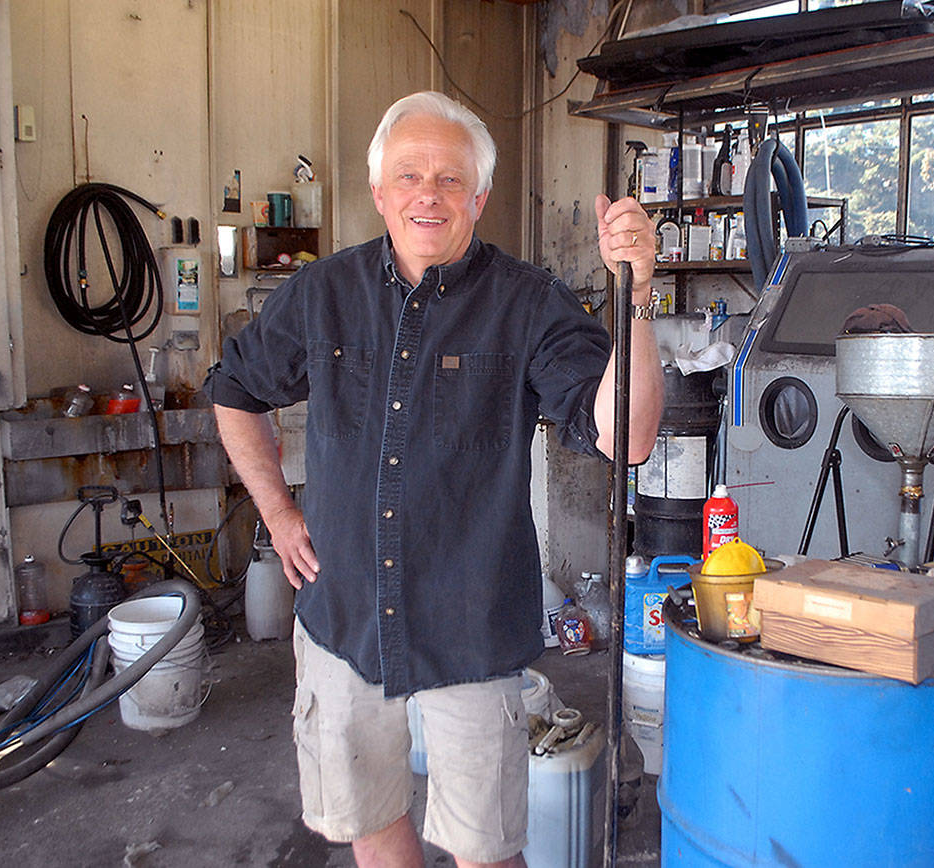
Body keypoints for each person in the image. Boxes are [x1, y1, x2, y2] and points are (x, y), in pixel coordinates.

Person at [204, 91, 663, 868]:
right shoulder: (324, 294)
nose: (429, 194)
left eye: (451, 180)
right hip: (343, 615)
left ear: (479, 198)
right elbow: (232, 390)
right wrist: (278, 513)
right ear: (379, 192)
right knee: (371, 823)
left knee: (485, 849)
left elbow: (629, 436)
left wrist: (638, 299)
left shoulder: (529, 304)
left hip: (470, 626)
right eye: (409, 175)